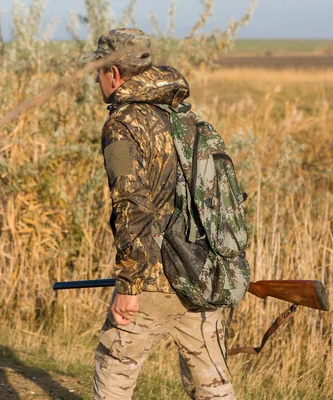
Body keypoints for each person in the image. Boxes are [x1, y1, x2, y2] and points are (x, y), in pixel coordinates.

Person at [80, 28, 236, 400]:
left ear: (114, 73)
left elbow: (132, 205)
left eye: (98, 72)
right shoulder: (185, 117)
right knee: (215, 389)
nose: (96, 80)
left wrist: (129, 286)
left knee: (113, 379)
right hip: (200, 275)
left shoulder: (122, 124)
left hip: (151, 281)